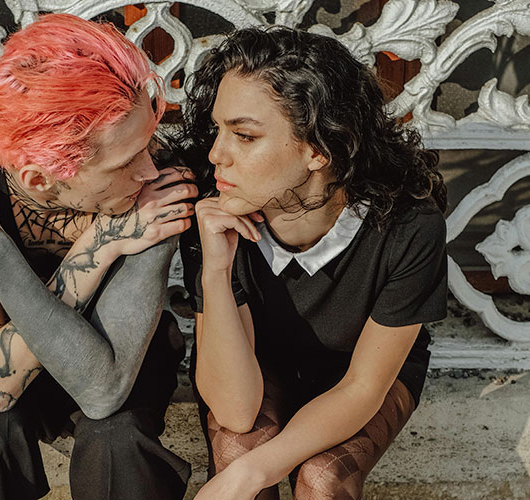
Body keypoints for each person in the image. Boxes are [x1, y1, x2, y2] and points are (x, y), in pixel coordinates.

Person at [0, 13, 195, 500]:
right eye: (126, 162)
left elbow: (103, 391)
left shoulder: (155, 181)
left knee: (119, 442)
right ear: (39, 179)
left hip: (114, 340)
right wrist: (98, 245)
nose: (150, 169)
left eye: (147, 142)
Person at [176, 26, 448, 500]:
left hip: (360, 372)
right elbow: (236, 408)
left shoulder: (408, 226)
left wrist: (250, 475)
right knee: (238, 445)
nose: (217, 154)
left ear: (319, 150)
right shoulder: (213, 209)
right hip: (256, 363)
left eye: (244, 135)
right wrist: (216, 270)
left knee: (322, 478)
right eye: (218, 130)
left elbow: (362, 387)